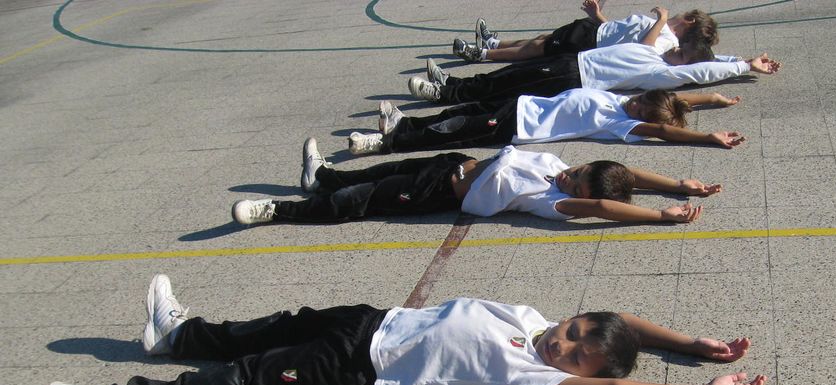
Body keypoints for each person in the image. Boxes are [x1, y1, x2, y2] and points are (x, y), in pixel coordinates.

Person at [43, 275, 767, 385]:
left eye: (575, 354)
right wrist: (686, 342)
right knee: (268, 328)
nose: (564, 342)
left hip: (361, 370)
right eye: (575, 330)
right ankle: (177, 336)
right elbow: (619, 321)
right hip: (371, 322)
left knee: (243, 381)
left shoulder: (534, 380)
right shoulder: (533, 323)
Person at [229, 142, 720, 227]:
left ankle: (276, 211)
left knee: (357, 202)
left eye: (576, 183)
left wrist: (659, 214)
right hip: (451, 165)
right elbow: (625, 173)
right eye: (578, 170)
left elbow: (605, 207)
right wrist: (677, 184)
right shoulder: (560, 166)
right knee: (376, 173)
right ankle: (320, 177)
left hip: (438, 194)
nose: (568, 176)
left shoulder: (556, 202)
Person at [345, 87, 743, 156]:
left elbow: (661, 128)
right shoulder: (623, 101)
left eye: (639, 110)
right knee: (455, 114)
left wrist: (706, 137)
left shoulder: (621, 123)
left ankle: (386, 142)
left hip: (518, 127)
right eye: (639, 101)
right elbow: (671, 101)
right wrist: (711, 99)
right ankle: (401, 125)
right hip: (520, 104)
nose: (634, 106)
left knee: (451, 131)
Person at [408, 37, 780, 104]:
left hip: (574, 76)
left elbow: (702, 72)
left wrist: (743, 67)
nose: (675, 51)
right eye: (680, 47)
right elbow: (708, 61)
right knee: (505, 75)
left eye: (681, 54)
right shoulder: (659, 54)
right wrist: (737, 58)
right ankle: (453, 83)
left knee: (508, 85)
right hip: (572, 61)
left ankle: (445, 94)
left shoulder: (665, 74)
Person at [452, 5, 717, 63]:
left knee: (537, 49)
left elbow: (644, 49)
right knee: (543, 39)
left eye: (685, 14)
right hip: (596, 30)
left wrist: (661, 20)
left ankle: (482, 54)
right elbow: (622, 34)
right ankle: (493, 42)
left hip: (592, 42)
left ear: (689, 21)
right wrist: (598, 16)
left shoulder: (668, 38)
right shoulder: (663, 30)